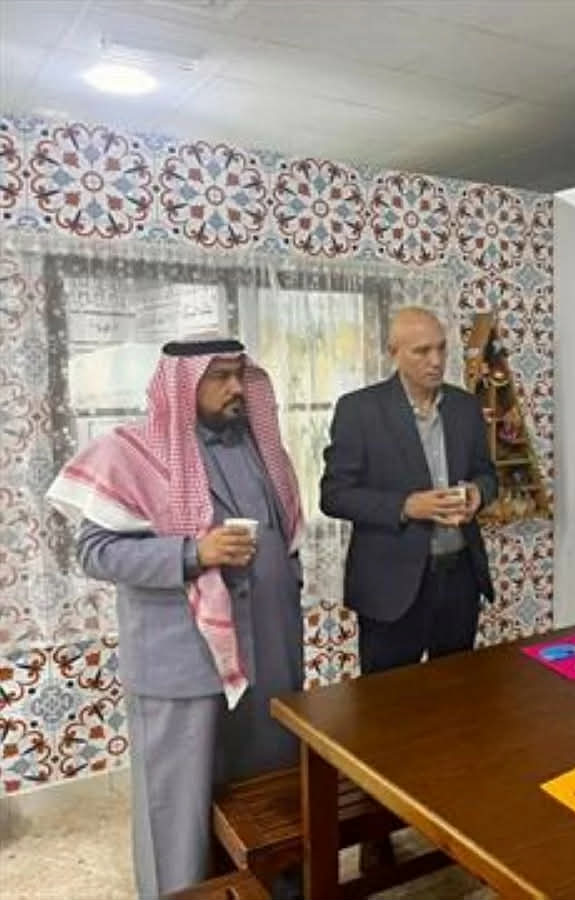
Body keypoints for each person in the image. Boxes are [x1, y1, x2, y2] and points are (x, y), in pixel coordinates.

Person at [46, 339, 305, 900]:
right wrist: (192, 553)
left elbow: (284, 536)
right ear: (183, 384)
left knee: (271, 800)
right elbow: (96, 552)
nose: (235, 388)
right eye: (219, 377)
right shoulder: (132, 452)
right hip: (181, 665)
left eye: (239, 375)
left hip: (268, 657)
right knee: (178, 815)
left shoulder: (261, 449)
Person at [320, 306, 496, 675]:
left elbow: (486, 474)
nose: (436, 361)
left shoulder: (465, 407)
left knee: (458, 688)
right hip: (390, 585)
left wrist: (478, 494)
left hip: (460, 578)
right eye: (421, 351)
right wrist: (405, 506)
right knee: (387, 700)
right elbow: (334, 495)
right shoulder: (359, 410)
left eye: (441, 348)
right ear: (393, 352)